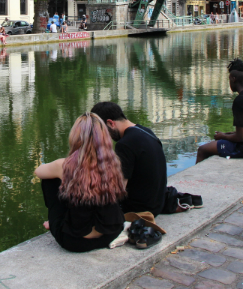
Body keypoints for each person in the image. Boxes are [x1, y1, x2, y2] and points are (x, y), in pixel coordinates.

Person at [34, 113, 126, 252]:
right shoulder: (114, 162)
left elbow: (38, 171)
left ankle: (55, 221)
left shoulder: (64, 165)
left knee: (49, 179)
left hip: (75, 241)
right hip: (111, 232)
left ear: (75, 138)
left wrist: (64, 173)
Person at [90, 102, 167, 217]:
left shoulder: (125, 144)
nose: (105, 137)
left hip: (138, 210)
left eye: (103, 132)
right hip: (156, 203)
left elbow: (119, 188)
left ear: (110, 123)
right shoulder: (146, 132)